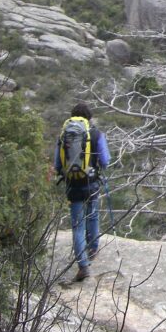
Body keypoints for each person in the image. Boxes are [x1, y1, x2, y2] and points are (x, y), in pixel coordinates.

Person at [54, 103, 111, 281]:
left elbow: (57, 164)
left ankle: (83, 266)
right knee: (92, 215)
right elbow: (105, 160)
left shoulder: (64, 136)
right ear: (89, 118)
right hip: (91, 182)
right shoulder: (95, 134)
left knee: (77, 226)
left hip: (72, 185)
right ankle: (93, 249)